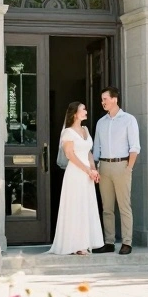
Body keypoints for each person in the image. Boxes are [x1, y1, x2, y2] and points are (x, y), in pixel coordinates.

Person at [48, 102, 104, 255]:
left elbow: (88, 152)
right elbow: (70, 155)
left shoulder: (85, 130)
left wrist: (93, 169)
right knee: (76, 207)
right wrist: (87, 170)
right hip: (75, 174)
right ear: (75, 114)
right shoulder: (68, 132)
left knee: (86, 206)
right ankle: (74, 245)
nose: (86, 111)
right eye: (83, 109)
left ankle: (85, 242)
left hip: (87, 174)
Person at [92, 86, 140, 255]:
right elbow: (96, 148)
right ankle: (109, 242)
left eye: (105, 99)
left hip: (122, 165)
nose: (102, 102)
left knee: (124, 206)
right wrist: (95, 168)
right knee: (107, 207)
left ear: (114, 99)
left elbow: (135, 147)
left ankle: (127, 242)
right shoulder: (100, 122)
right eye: (102, 99)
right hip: (104, 166)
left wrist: (129, 168)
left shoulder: (129, 120)